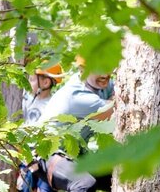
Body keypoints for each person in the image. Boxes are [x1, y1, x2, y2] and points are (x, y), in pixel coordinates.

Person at [19, 62, 114, 192]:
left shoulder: (99, 83)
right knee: (84, 184)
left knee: (118, 174)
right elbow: (119, 109)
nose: (104, 74)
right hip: (44, 153)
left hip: (72, 153)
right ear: (82, 70)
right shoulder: (77, 96)